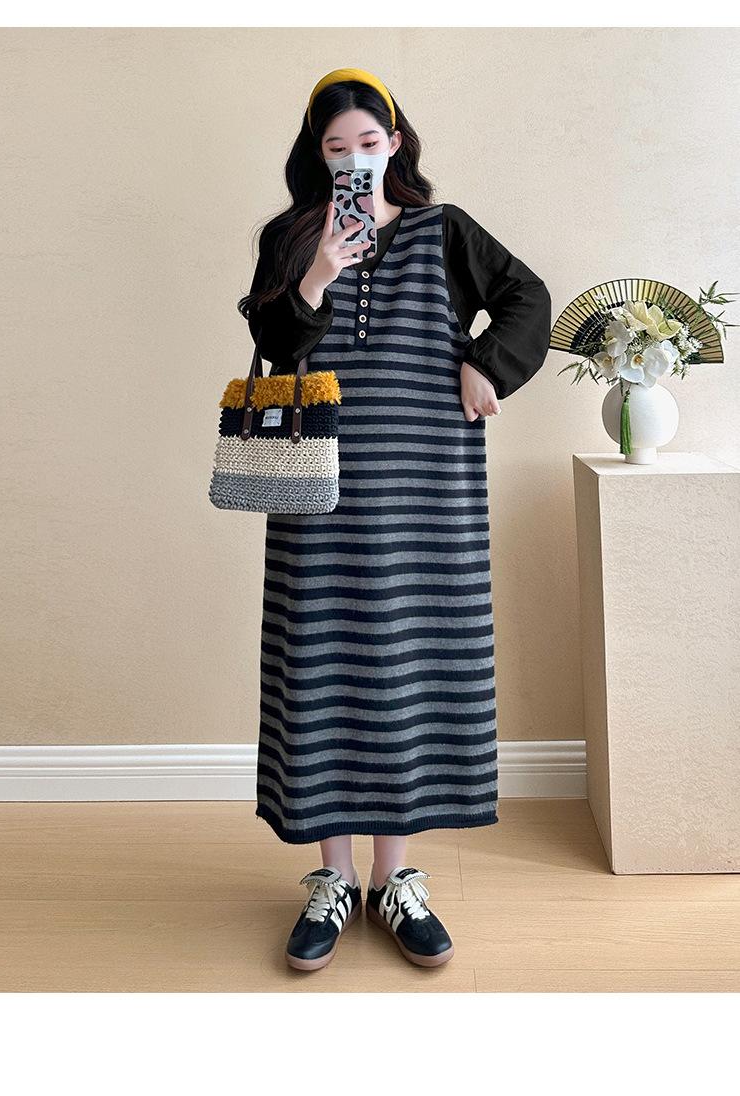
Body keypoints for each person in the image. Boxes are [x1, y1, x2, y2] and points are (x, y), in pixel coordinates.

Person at [237, 67, 551, 972]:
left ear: (396, 144)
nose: (354, 161)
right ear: (318, 156)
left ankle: (395, 876)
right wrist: (318, 272)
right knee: (324, 662)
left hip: (428, 490)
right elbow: (274, 344)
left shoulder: (444, 231)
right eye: (336, 149)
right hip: (321, 490)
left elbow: (528, 298)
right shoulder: (291, 237)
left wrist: (485, 363)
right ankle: (332, 878)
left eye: (368, 144)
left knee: (412, 663)